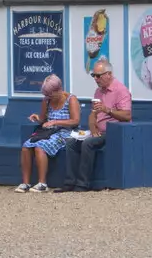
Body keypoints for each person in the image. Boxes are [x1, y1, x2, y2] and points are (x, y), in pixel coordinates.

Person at [52, 58, 131, 193]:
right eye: (93, 75)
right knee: (71, 142)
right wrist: (93, 129)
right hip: (98, 131)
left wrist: (107, 110)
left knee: (87, 143)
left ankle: (83, 183)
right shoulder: (98, 91)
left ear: (109, 74)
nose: (95, 78)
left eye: (98, 76)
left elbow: (127, 116)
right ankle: (70, 182)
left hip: (114, 132)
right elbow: (92, 115)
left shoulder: (121, 91)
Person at [14, 74, 78, 193]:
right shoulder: (47, 100)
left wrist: (55, 121)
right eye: (46, 94)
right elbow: (43, 119)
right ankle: (25, 182)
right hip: (48, 132)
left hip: (64, 132)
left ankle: (42, 183)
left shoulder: (71, 99)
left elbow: (75, 121)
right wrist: (37, 118)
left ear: (58, 89)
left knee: (40, 146)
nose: (48, 97)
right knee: (26, 147)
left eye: (50, 94)